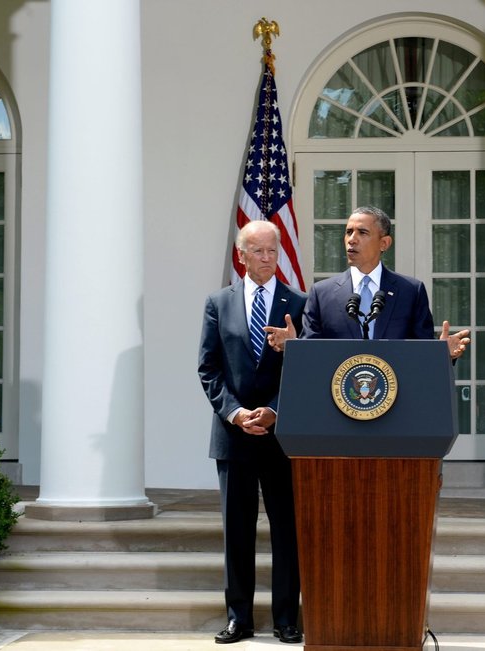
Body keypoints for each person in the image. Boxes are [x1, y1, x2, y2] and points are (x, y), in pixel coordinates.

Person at [198, 220, 305, 645]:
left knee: (287, 531)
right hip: (234, 437)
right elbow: (208, 368)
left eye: (272, 251)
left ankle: (285, 619)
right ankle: (238, 618)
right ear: (241, 255)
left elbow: (306, 369)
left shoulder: (298, 303)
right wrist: (236, 413)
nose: (266, 258)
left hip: (283, 438)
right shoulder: (217, 303)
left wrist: (276, 411)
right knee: (237, 532)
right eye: (258, 251)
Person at [266, 205, 470, 357]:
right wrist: (293, 345)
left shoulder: (411, 291)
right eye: (348, 232)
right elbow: (312, 355)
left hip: (396, 402)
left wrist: (443, 354)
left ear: (384, 243)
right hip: (338, 403)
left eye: (362, 232)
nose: (352, 239)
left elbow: (422, 352)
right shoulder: (321, 293)